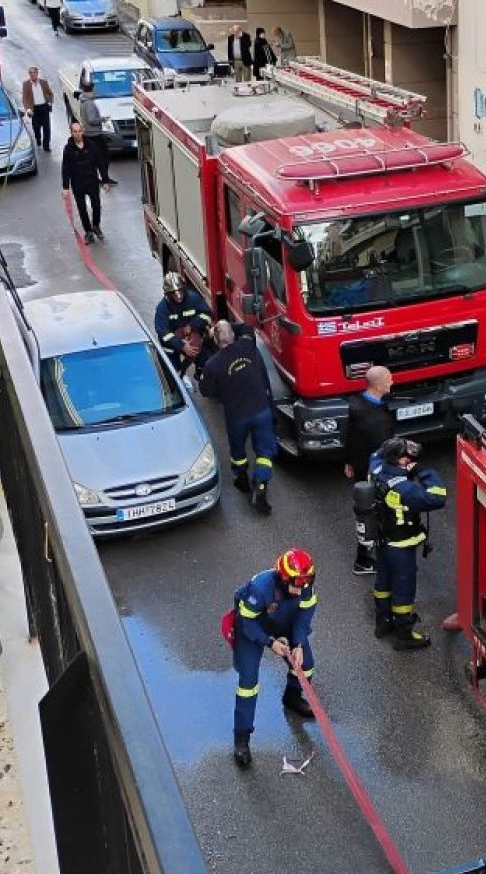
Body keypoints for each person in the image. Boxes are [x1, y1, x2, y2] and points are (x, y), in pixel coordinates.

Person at [231, 548, 318, 768]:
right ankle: (242, 738)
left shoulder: (304, 586)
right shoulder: (260, 588)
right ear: (284, 578)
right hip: (255, 626)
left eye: (307, 581)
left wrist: (298, 643)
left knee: (306, 665)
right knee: (248, 683)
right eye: (298, 582)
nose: (302, 587)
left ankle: (292, 697)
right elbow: (246, 621)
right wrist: (270, 643)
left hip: (285, 621)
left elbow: (304, 615)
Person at [370, 437, 447, 650]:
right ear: (401, 461)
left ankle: (383, 621)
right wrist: (422, 471)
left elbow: (375, 455)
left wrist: (391, 446)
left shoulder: (375, 470)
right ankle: (404, 634)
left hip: (382, 541)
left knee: (383, 582)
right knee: (404, 589)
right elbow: (438, 496)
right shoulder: (405, 489)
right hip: (401, 547)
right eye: (407, 456)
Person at [199, 320, 276, 512]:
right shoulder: (247, 345)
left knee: (238, 450)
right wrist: (227, 325)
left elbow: (206, 391)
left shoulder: (212, 365)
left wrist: (211, 333)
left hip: (236, 415)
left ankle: (241, 476)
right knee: (265, 451)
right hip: (261, 410)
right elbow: (247, 327)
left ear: (216, 340)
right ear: (233, 335)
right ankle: (260, 486)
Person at [345, 365, 394, 575]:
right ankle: (364, 561)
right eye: (389, 379)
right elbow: (385, 449)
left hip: (362, 470)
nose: (392, 382)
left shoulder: (357, 404)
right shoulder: (375, 419)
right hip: (374, 473)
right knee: (372, 515)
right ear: (379, 386)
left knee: (367, 514)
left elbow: (350, 438)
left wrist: (349, 462)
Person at [154, 272, 213, 377]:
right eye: (173, 293)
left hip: (191, 336)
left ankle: (200, 373)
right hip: (171, 346)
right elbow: (162, 331)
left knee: (207, 362)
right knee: (171, 373)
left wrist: (192, 325)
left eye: (180, 291)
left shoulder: (194, 298)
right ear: (167, 293)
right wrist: (181, 345)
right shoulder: (162, 308)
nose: (178, 296)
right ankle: (177, 378)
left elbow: (207, 314)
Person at [61, 121, 109, 244]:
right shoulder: (68, 149)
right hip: (77, 183)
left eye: (79, 131)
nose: (77, 134)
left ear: (83, 131)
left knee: (96, 205)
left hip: (92, 181)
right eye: (75, 132)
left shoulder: (91, 146)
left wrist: (105, 180)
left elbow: (100, 163)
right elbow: (65, 168)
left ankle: (96, 226)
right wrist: (65, 187)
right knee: (82, 209)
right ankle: (88, 231)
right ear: (71, 132)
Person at [77, 82, 117, 187]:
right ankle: (104, 179)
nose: (96, 91)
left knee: (96, 158)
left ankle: (99, 178)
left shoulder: (83, 101)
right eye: (94, 89)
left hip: (89, 134)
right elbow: (92, 120)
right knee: (103, 158)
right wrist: (102, 119)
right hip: (94, 134)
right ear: (91, 90)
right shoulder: (89, 103)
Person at [21, 66, 53, 152]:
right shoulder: (26, 84)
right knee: (36, 127)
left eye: (34, 72)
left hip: (44, 107)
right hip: (34, 109)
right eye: (30, 73)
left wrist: (49, 102)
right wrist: (28, 109)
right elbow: (24, 98)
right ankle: (38, 138)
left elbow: (50, 94)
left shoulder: (44, 82)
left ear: (37, 73)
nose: (32, 74)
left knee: (46, 127)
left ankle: (46, 146)